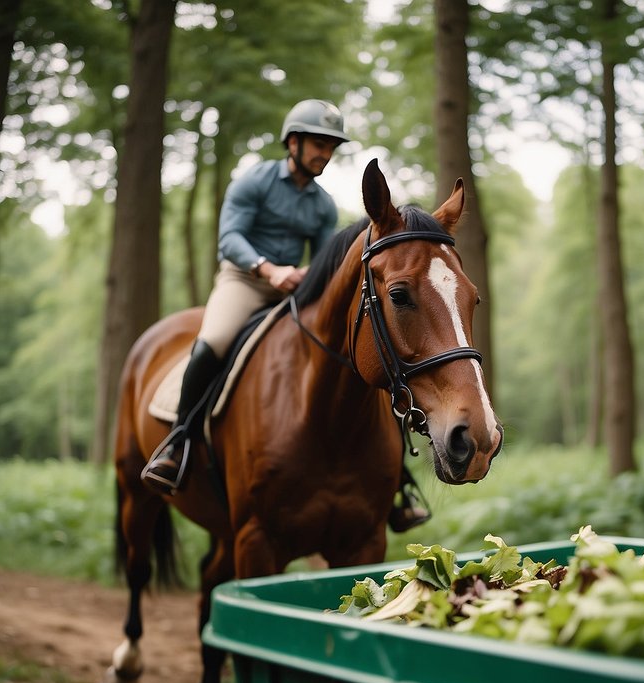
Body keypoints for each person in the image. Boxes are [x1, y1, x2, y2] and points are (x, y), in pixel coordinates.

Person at [141, 99, 429, 532]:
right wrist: (268, 269)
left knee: (356, 357)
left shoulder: (322, 205)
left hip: (295, 286)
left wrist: (304, 279)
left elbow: (323, 261)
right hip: (245, 280)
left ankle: (395, 477)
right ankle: (177, 443)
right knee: (214, 341)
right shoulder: (254, 181)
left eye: (331, 147)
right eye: (318, 144)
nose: (325, 154)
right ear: (292, 142)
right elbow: (229, 236)